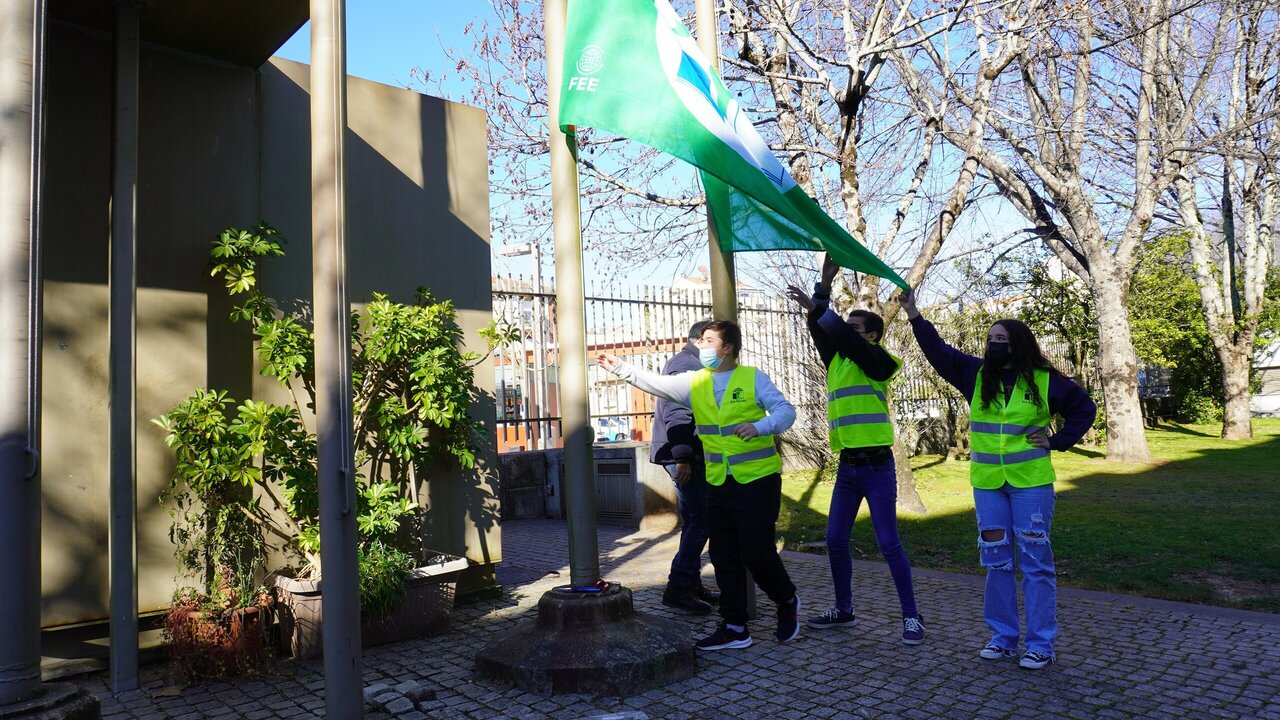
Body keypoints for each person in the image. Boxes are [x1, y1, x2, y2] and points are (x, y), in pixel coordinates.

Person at [899, 290, 1096, 670]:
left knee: (1036, 562)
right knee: (997, 561)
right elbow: (938, 352)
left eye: (1001, 339)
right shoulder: (975, 374)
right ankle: (1003, 639)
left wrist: (1057, 441)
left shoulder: (1045, 380)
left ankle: (1040, 645)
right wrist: (913, 314)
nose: (993, 344)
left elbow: (1084, 409)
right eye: (990, 339)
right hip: (988, 484)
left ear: (1018, 344)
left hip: (1030, 484)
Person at [598, 320, 801, 651]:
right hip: (718, 482)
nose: (701, 345)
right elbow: (657, 383)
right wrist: (620, 367)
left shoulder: (753, 378)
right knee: (722, 555)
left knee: (756, 552)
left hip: (757, 481)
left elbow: (785, 412)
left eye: (708, 340)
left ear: (727, 348)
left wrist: (760, 426)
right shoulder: (695, 381)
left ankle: (787, 600)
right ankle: (734, 627)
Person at [785, 254, 924, 645]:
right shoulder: (838, 362)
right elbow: (822, 331)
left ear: (872, 336)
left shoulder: (880, 361)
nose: (845, 333)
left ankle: (912, 617)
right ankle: (844, 610)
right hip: (848, 468)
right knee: (834, 540)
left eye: (854, 329)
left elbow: (842, 336)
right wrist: (823, 286)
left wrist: (822, 310)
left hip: (877, 468)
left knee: (888, 543)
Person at [651, 320, 721, 615]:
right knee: (700, 521)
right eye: (714, 340)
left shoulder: (692, 363)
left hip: (687, 455)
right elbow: (678, 412)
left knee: (695, 521)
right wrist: (683, 457)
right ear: (699, 340)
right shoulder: (686, 365)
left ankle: (690, 584)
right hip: (683, 456)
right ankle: (678, 588)